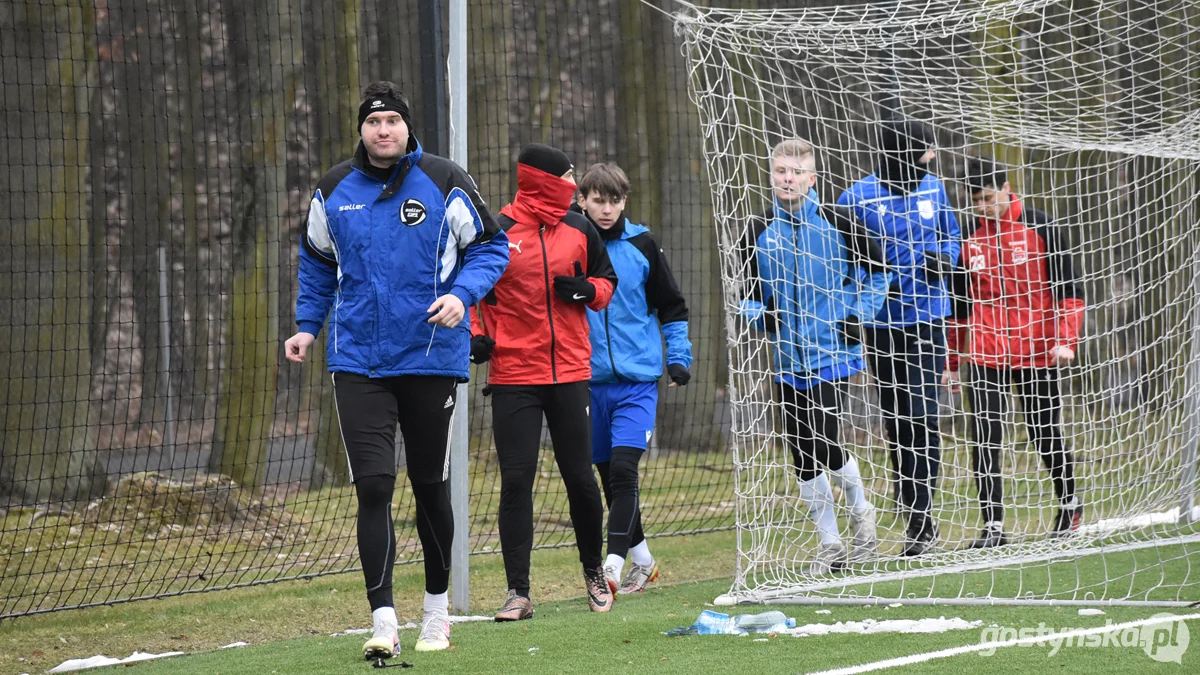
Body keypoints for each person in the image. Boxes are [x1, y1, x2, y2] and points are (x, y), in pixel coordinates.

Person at [285, 81, 509, 658]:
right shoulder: (333, 190)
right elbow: (316, 264)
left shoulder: (444, 179)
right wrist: (308, 327)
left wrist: (463, 295)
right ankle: (383, 621)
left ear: (407, 128)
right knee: (375, 486)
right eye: (373, 121)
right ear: (361, 131)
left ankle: (436, 610)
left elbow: (491, 247)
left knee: (430, 485)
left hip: (431, 356)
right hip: (358, 359)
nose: (383, 130)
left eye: (392, 121)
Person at [469, 144, 619, 620]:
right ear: (539, 180)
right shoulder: (499, 231)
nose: (573, 184)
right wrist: (476, 335)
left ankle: (594, 574)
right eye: (566, 176)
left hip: (571, 372)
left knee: (580, 478)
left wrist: (586, 290)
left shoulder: (580, 228)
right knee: (516, 479)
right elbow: (471, 290)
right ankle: (518, 592)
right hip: (514, 375)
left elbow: (605, 281)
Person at [739, 139, 892, 573]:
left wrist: (857, 315)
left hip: (835, 352)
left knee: (825, 437)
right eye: (781, 171)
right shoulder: (756, 228)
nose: (788, 178)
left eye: (797, 172)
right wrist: (759, 317)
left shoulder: (841, 221)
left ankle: (862, 518)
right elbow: (746, 295)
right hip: (787, 359)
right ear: (771, 175)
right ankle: (830, 544)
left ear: (812, 178)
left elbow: (879, 275)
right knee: (802, 451)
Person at [836, 119, 961, 556]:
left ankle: (923, 519)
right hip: (881, 324)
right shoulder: (855, 198)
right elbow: (842, 257)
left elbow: (952, 236)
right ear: (901, 155)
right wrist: (854, 305)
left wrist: (944, 260)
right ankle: (911, 509)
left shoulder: (933, 189)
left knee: (923, 414)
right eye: (924, 152)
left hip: (929, 318)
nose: (931, 160)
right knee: (897, 420)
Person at [946, 157, 1084, 548]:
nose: (983, 207)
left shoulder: (1041, 227)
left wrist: (1065, 340)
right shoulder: (969, 239)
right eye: (976, 201)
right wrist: (953, 363)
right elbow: (959, 307)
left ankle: (1070, 504)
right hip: (987, 352)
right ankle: (992, 526)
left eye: (989, 198)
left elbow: (1071, 291)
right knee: (985, 437)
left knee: (1043, 432)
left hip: (1037, 350)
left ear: (1007, 188)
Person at [570, 163, 692, 595]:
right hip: (584, 381)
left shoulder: (642, 243)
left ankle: (613, 567)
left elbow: (672, 307)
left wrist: (678, 359)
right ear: (581, 199)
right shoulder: (569, 241)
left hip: (637, 381)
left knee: (624, 471)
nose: (606, 209)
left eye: (615, 200)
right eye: (598, 200)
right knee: (607, 478)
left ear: (625, 201)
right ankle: (644, 561)